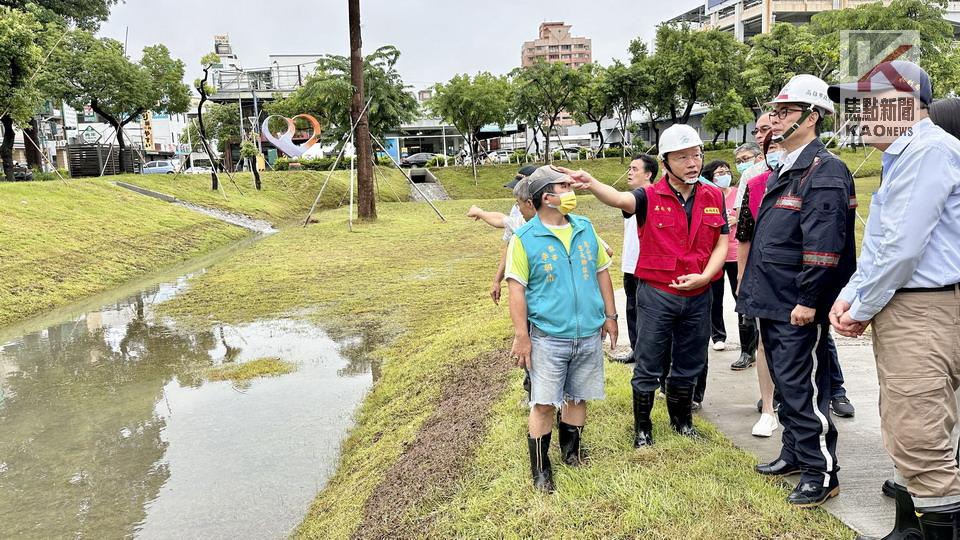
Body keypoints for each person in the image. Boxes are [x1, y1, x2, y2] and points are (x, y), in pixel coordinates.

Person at [829, 63, 960, 536]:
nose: (858, 115)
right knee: (916, 430)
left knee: (920, 438)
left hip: (924, 308)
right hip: (916, 304)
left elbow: (904, 249)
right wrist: (852, 295)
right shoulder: (909, 155)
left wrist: (859, 309)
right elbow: (885, 245)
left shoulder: (926, 152)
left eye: (865, 103)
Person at [557, 123, 729, 448]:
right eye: (682, 157)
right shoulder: (650, 196)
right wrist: (592, 183)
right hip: (658, 295)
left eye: (696, 155)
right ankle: (643, 428)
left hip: (698, 294)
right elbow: (620, 198)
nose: (693, 162)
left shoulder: (713, 195)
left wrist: (706, 276)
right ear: (665, 163)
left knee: (691, 360)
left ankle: (682, 421)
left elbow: (722, 241)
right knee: (649, 360)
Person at [737, 74, 857, 507]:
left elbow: (823, 247)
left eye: (785, 112)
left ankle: (820, 472)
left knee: (802, 387)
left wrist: (809, 300)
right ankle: (793, 454)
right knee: (787, 388)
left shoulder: (824, 171)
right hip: (773, 298)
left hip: (796, 304)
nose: (775, 118)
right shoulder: (786, 167)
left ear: (812, 117)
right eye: (776, 110)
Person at [505, 165, 618, 493]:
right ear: (546, 197)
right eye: (564, 186)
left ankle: (572, 453)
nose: (571, 191)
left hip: (587, 334)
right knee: (543, 403)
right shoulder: (525, 239)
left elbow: (602, 273)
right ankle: (541, 470)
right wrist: (521, 336)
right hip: (548, 337)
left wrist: (610, 317)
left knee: (578, 396)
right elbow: (517, 290)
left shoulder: (585, 227)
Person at [690, 160, 741, 409]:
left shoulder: (734, 194)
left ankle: (747, 347)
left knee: (740, 298)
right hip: (712, 262)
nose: (724, 176)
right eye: (719, 173)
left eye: (726, 171)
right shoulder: (705, 195)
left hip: (735, 255)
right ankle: (717, 334)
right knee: (714, 300)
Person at [467, 165, 539, 305]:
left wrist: (480, 212)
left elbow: (502, 220)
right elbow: (509, 241)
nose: (517, 203)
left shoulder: (546, 218)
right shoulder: (519, 209)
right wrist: (496, 280)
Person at [611, 154, 658, 364]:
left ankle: (651, 356)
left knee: (649, 312)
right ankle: (636, 350)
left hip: (647, 265)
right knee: (632, 308)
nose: (629, 172)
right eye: (629, 168)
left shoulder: (654, 196)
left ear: (648, 174)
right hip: (630, 264)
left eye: (634, 169)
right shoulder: (632, 197)